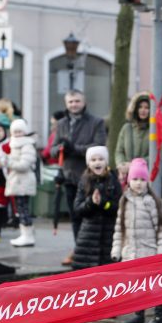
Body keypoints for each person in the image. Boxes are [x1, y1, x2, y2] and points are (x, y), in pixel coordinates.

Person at [112, 158, 162, 323]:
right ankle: (139, 314)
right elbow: (119, 229)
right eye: (135, 179)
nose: (138, 183)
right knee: (136, 286)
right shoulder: (125, 202)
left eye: (142, 180)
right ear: (129, 181)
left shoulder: (151, 202)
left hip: (150, 252)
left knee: (156, 286)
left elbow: (161, 229)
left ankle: (160, 317)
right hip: (131, 251)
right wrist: (117, 249)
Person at [51, 90, 107, 262]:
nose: (74, 104)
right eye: (70, 102)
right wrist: (60, 148)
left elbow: (99, 146)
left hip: (91, 176)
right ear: (66, 104)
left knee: (92, 216)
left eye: (77, 101)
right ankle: (78, 251)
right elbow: (52, 150)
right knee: (75, 217)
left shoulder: (96, 122)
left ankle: (98, 251)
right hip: (69, 177)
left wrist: (74, 148)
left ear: (84, 102)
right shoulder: (61, 123)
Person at [72, 146, 121, 270]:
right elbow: (78, 209)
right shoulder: (84, 181)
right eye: (93, 160)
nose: (97, 162)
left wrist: (104, 203)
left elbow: (118, 206)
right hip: (88, 238)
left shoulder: (113, 180)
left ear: (106, 162)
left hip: (108, 237)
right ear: (88, 164)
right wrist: (91, 203)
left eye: (101, 159)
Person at [1, 119, 37, 247]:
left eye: (19, 131)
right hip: (17, 181)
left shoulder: (27, 145)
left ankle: (28, 236)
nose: (17, 133)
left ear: (25, 131)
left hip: (23, 182)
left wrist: (7, 161)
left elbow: (24, 165)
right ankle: (26, 234)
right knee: (20, 209)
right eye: (14, 131)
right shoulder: (13, 144)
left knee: (23, 209)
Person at [115, 92, 151, 171]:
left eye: (147, 107)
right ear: (135, 109)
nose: (143, 110)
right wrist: (121, 164)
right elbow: (119, 151)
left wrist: (135, 165)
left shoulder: (154, 130)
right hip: (127, 173)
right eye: (140, 107)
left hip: (146, 174)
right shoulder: (126, 128)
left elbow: (155, 155)